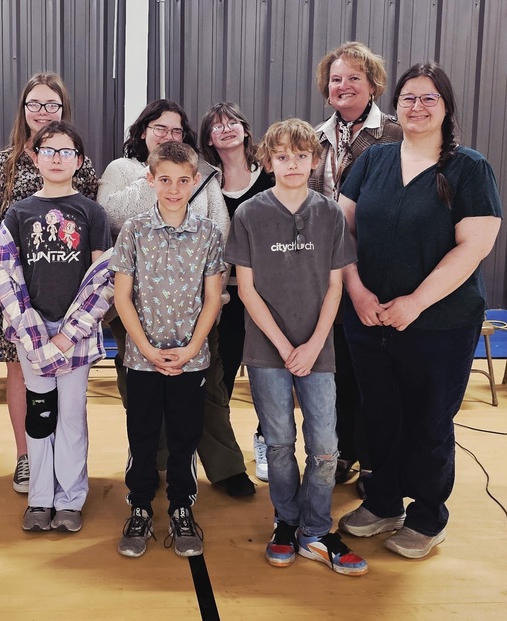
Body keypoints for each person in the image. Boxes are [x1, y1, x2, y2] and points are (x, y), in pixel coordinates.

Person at [337, 62, 502, 559]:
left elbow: (473, 246)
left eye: (429, 98)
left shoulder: (469, 168)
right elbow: (339, 234)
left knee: (429, 419)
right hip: (368, 317)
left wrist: (415, 303)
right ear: (396, 105)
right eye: (409, 97)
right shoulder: (373, 161)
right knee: (379, 414)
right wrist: (359, 292)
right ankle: (384, 501)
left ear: (446, 107)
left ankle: (428, 515)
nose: (418, 106)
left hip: (439, 324)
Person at [224, 119, 367, 576]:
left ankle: (317, 530)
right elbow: (246, 290)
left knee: (325, 446)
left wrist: (312, 345)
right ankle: (285, 522)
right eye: (282, 156)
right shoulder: (248, 215)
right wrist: (287, 346)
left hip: (318, 350)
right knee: (281, 442)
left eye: (301, 156)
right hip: (268, 351)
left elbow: (335, 288)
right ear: (266, 162)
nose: (292, 164)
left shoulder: (328, 215)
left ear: (316, 160)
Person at [99, 99, 252, 498]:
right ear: (142, 130)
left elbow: (219, 224)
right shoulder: (122, 170)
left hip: (197, 304)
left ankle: (222, 466)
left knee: (209, 388)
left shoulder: (198, 174)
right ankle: (154, 464)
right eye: (159, 128)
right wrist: (154, 174)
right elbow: (111, 214)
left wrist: (211, 291)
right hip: (140, 304)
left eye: (176, 131)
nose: (168, 136)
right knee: (143, 392)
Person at [0, 72, 99, 494]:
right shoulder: (5, 162)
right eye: (35, 104)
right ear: (23, 109)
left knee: (67, 393)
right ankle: (26, 458)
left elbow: (91, 239)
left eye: (52, 105)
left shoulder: (81, 167)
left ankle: (67, 475)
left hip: (66, 300)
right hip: (17, 297)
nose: (43, 112)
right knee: (21, 372)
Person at [0, 121, 112, 533]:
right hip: (33, 334)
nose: (57, 158)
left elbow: (102, 278)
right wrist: (35, 334)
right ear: (34, 156)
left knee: (72, 417)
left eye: (66, 152)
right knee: (40, 415)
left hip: (74, 335)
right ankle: (40, 497)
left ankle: (70, 498)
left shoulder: (92, 212)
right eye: (48, 150)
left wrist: (65, 334)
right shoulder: (19, 212)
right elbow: (5, 274)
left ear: (79, 161)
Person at [111, 141, 223, 558]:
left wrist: (193, 347)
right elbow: (123, 297)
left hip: (190, 360)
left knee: (184, 436)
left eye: (182, 181)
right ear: (151, 180)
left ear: (195, 181)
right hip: (143, 358)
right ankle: (139, 505)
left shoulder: (208, 233)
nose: (174, 189)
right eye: (165, 180)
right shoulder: (134, 231)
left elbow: (212, 298)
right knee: (141, 435)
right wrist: (147, 349)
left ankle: (180, 508)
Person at [310, 42, 403, 492]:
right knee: (338, 365)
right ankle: (344, 449)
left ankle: (373, 458)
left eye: (353, 78)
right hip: (323, 269)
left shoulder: (396, 133)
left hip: (375, 267)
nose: (342, 86)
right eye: (335, 79)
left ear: (374, 85)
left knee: (374, 367)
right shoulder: (313, 136)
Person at [197, 101, 275, 483]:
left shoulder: (272, 177)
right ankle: (220, 451)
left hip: (265, 295)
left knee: (267, 373)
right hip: (224, 297)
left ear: (245, 130)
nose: (226, 129)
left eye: (233, 123)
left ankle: (265, 438)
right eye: (217, 125)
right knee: (220, 374)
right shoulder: (203, 184)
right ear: (208, 139)